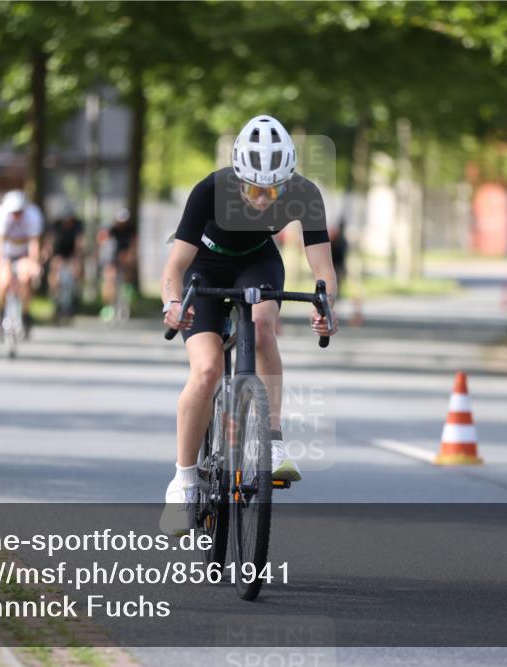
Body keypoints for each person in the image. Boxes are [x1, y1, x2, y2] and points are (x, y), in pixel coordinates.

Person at [160, 114, 339, 532]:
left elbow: (324, 268)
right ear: (239, 177)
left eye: (273, 190)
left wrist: (325, 306)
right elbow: (175, 265)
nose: (263, 199)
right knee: (207, 370)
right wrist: (172, 301)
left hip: (256, 261)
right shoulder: (211, 188)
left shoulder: (304, 193)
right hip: (203, 266)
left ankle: (272, 441)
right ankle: (184, 478)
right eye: (255, 189)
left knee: (261, 330)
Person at [0, 190, 44, 335]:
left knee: (25, 279)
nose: (16, 216)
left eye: (19, 212)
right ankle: (0, 313)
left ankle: (25, 315)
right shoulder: (1, 215)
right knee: (3, 281)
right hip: (7, 254)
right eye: (13, 212)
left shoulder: (33, 215)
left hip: (24, 254)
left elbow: (34, 243)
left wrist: (34, 263)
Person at [47, 206, 84, 316]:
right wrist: (50, 255)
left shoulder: (78, 226)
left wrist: (78, 259)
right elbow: (50, 241)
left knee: (76, 271)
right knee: (54, 273)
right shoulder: (56, 225)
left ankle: (74, 296)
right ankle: (54, 295)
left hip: (72, 253)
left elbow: (79, 243)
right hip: (58, 253)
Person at [99, 208, 138, 309]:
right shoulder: (111, 229)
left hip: (124, 255)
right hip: (111, 256)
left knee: (127, 272)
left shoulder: (130, 230)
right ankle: (107, 305)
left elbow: (133, 245)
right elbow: (103, 242)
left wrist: (130, 256)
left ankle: (127, 292)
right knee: (109, 278)